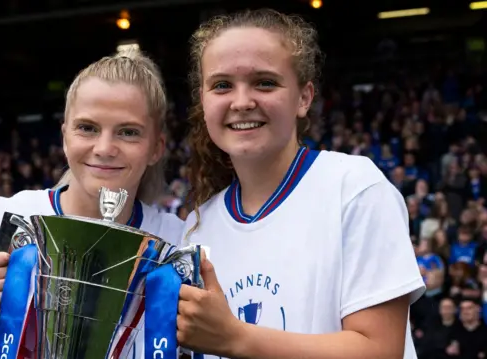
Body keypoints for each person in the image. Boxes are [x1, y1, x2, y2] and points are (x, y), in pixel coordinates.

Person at [175, 9, 426, 359]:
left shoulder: (354, 189)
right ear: (203, 101)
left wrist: (236, 337)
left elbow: (379, 350)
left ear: (304, 98)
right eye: (221, 85)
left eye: (265, 82)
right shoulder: (195, 231)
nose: (242, 101)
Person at [0, 49, 183, 359]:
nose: (105, 148)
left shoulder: (179, 241)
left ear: (157, 147)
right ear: (65, 136)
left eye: (128, 132)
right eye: (88, 128)